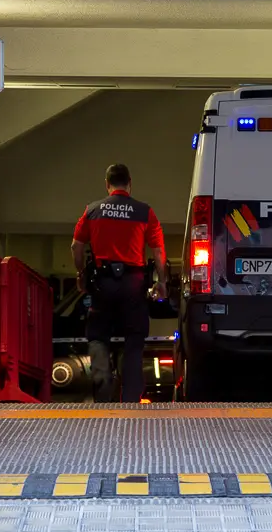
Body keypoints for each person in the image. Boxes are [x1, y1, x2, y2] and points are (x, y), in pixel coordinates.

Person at [71, 164, 167, 403]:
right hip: (133, 283)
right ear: (130, 183)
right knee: (134, 338)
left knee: (98, 335)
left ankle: (102, 382)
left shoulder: (92, 210)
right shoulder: (144, 212)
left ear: (107, 184)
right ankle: (131, 398)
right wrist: (162, 282)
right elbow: (158, 252)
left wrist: (81, 273)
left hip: (102, 283)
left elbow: (76, 246)